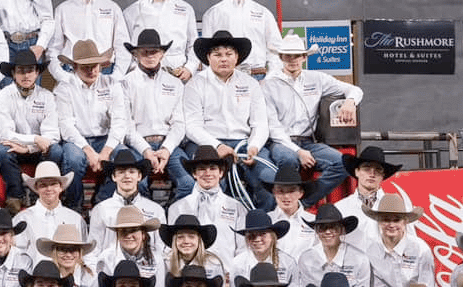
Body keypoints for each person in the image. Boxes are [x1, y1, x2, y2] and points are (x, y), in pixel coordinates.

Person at [262, 34, 360, 202]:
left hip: (309, 142)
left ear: (304, 57)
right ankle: (287, 204)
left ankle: (303, 202)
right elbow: (273, 128)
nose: (292, 60)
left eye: (297, 55)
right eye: (287, 55)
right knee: (288, 159)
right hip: (281, 142)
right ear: (280, 57)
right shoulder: (269, 84)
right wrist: (298, 151)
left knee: (343, 163)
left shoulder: (317, 78)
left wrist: (350, 102)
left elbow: (354, 90)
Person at [183, 31, 275, 200]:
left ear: (237, 57)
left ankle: (262, 222)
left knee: (268, 179)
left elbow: (260, 124)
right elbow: (192, 126)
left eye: (228, 54)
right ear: (208, 58)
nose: (223, 59)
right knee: (215, 182)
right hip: (206, 144)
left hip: (244, 143)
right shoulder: (195, 84)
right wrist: (217, 146)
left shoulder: (251, 84)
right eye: (217, 54)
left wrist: (254, 146)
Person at [53, 40, 131, 207]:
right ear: (74, 67)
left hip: (105, 138)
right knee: (73, 160)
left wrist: (106, 151)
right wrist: (88, 151)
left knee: (125, 159)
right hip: (77, 140)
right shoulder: (64, 88)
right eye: (85, 67)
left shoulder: (112, 84)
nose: (91, 70)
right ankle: (74, 205)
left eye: (94, 65)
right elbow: (66, 126)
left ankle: (102, 201)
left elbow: (119, 121)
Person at [119, 30, 193, 197]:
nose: (150, 55)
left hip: (169, 145)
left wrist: (166, 149)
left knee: (188, 183)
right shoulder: (125, 83)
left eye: (154, 51)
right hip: (138, 145)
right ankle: (148, 217)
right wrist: (146, 150)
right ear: (135, 55)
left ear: (162, 54)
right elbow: (126, 125)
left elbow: (179, 123)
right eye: (144, 52)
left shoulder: (175, 83)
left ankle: (170, 215)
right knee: (138, 183)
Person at [0, 50, 68, 208]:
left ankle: (39, 195)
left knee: (56, 151)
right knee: (1, 151)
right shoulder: (2, 97)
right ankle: (15, 196)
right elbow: (4, 134)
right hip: (14, 148)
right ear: (13, 73)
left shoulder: (47, 96)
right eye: (20, 71)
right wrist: (34, 139)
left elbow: (52, 135)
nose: (26, 75)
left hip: (38, 150)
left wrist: (29, 148)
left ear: (37, 72)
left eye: (30, 70)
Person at [199, 0, 281, 77]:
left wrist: (270, 78)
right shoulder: (212, 14)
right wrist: (214, 79)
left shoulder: (263, 13)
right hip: (225, 77)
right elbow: (206, 51)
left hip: (258, 75)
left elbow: (275, 50)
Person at [50, 0, 132, 76]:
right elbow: (54, 48)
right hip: (72, 72)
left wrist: (117, 76)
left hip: (105, 71)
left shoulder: (112, 8)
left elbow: (122, 45)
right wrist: (62, 77)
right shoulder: (62, 10)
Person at [121, 0, 197, 80]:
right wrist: (133, 68)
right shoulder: (132, 11)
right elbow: (125, 46)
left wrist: (190, 68)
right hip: (143, 70)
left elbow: (193, 43)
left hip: (178, 70)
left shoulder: (185, 9)